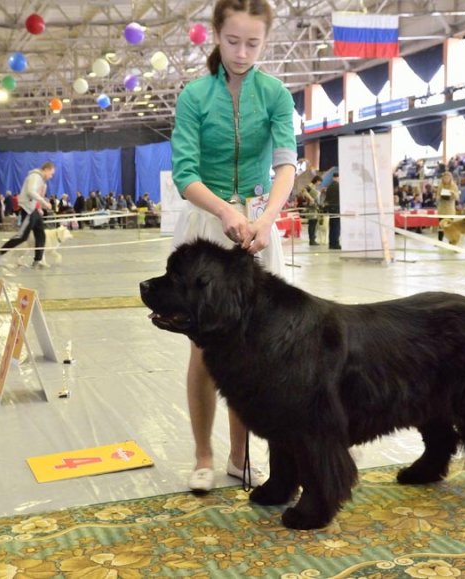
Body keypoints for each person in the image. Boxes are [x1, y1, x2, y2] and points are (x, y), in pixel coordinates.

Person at [170, 0, 296, 493]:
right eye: (233, 41)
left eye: (253, 43)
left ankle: (241, 457)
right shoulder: (194, 96)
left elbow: (286, 164)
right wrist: (226, 211)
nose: (242, 52)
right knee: (204, 349)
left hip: (260, 228)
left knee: (254, 350)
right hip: (207, 224)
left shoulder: (276, 94)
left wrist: (266, 219)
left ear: (265, 42)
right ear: (215, 36)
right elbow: (186, 174)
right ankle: (203, 454)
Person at [0, 161, 55, 268]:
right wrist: (44, 202)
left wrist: (40, 207)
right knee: (22, 236)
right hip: (27, 210)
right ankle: (0, 253)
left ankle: (38, 260)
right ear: (46, 169)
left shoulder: (41, 180)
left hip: (34, 210)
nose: (51, 176)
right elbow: (31, 192)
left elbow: (35, 195)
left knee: (41, 234)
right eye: (51, 173)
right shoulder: (35, 176)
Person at [436, 172, 460, 241]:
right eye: (444, 178)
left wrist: (453, 193)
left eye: (447, 178)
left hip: (450, 210)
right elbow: (437, 196)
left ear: (450, 178)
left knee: (450, 226)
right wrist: (440, 196)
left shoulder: (454, 186)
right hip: (442, 209)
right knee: (441, 226)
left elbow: (457, 197)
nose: (446, 179)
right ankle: (440, 241)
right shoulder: (440, 186)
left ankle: (451, 240)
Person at [322, 170, 341, 249]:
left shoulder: (330, 186)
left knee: (332, 225)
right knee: (336, 226)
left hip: (330, 208)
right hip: (336, 208)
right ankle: (335, 243)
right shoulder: (338, 186)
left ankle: (331, 243)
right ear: (338, 177)